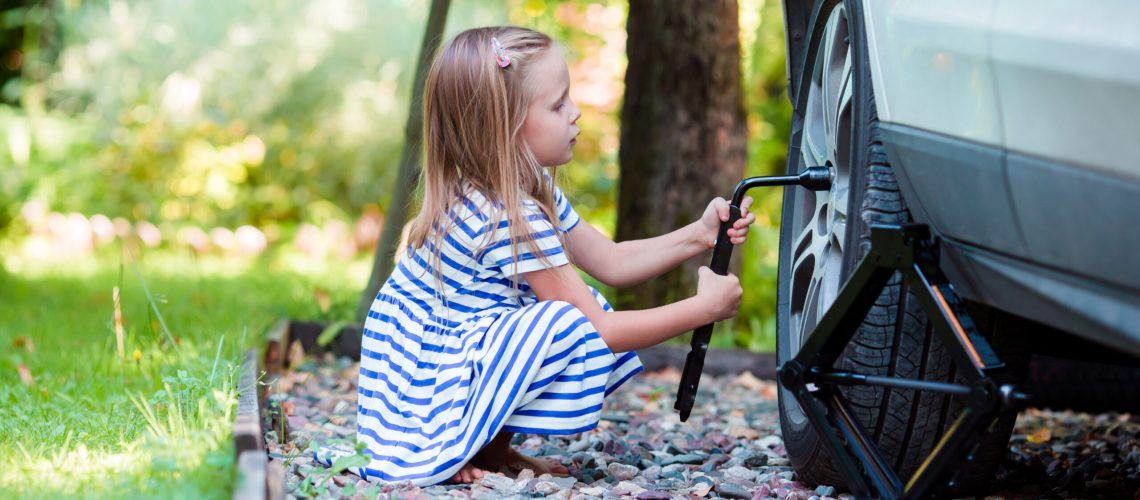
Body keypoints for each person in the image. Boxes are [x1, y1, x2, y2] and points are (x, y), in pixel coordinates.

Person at [315, 25, 755, 486]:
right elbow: (601, 332)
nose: (576, 112)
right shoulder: (507, 214)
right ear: (504, 127)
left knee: (570, 307)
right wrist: (703, 309)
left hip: (448, 351)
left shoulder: (526, 186)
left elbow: (612, 260)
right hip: (417, 377)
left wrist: (699, 235)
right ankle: (451, 449)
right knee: (567, 321)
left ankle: (491, 451)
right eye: (558, 104)